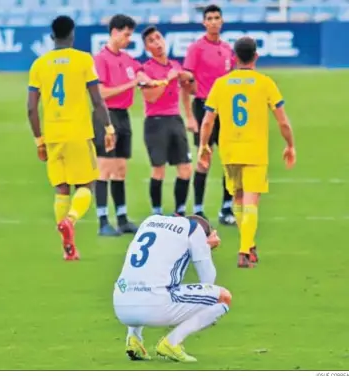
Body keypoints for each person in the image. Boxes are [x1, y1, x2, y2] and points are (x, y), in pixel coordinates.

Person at [198, 37, 296, 268]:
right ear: (256, 57)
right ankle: (244, 250)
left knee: (239, 199)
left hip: (230, 150)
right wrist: (290, 144)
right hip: (254, 150)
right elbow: (282, 121)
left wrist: (204, 145)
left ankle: (249, 244)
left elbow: (207, 120)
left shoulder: (221, 83)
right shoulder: (265, 83)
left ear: (234, 58)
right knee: (251, 201)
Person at [27, 15, 115, 261]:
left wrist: (39, 141)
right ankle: (71, 220)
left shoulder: (39, 65)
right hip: (78, 132)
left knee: (61, 189)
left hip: (53, 134)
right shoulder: (83, 60)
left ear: (52, 36)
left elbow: (31, 109)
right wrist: (108, 128)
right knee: (87, 185)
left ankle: (69, 248)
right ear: (72, 34)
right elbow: (97, 100)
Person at [113, 214, 229, 363]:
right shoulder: (194, 230)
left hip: (121, 305)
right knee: (223, 297)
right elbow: (208, 281)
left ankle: (133, 339)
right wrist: (205, 247)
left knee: (143, 279)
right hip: (155, 307)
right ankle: (172, 342)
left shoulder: (150, 220)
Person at [93, 14, 146, 236]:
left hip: (123, 116)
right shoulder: (100, 59)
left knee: (121, 169)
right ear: (114, 32)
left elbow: (141, 70)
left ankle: (122, 218)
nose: (128, 39)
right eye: (126, 35)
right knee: (105, 168)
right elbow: (102, 92)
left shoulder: (126, 59)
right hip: (105, 116)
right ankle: (103, 220)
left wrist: (143, 76)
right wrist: (132, 83)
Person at [182, 5, 236, 225]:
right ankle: (198, 209)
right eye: (209, 18)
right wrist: (190, 115)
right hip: (204, 107)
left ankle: (226, 208)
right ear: (204, 23)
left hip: (225, 109)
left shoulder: (226, 49)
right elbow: (186, 81)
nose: (213, 21)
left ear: (222, 21)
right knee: (204, 159)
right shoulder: (196, 48)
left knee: (229, 160)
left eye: (217, 18)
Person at [139, 26, 195, 216]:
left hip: (175, 120)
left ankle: (179, 211)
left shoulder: (175, 65)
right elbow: (151, 97)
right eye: (152, 41)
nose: (157, 43)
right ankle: (157, 212)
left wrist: (188, 77)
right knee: (158, 171)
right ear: (147, 48)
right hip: (155, 122)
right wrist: (166, 79)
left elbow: (188, 87)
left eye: (159, 38)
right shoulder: (145, 70)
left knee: (186, 169)